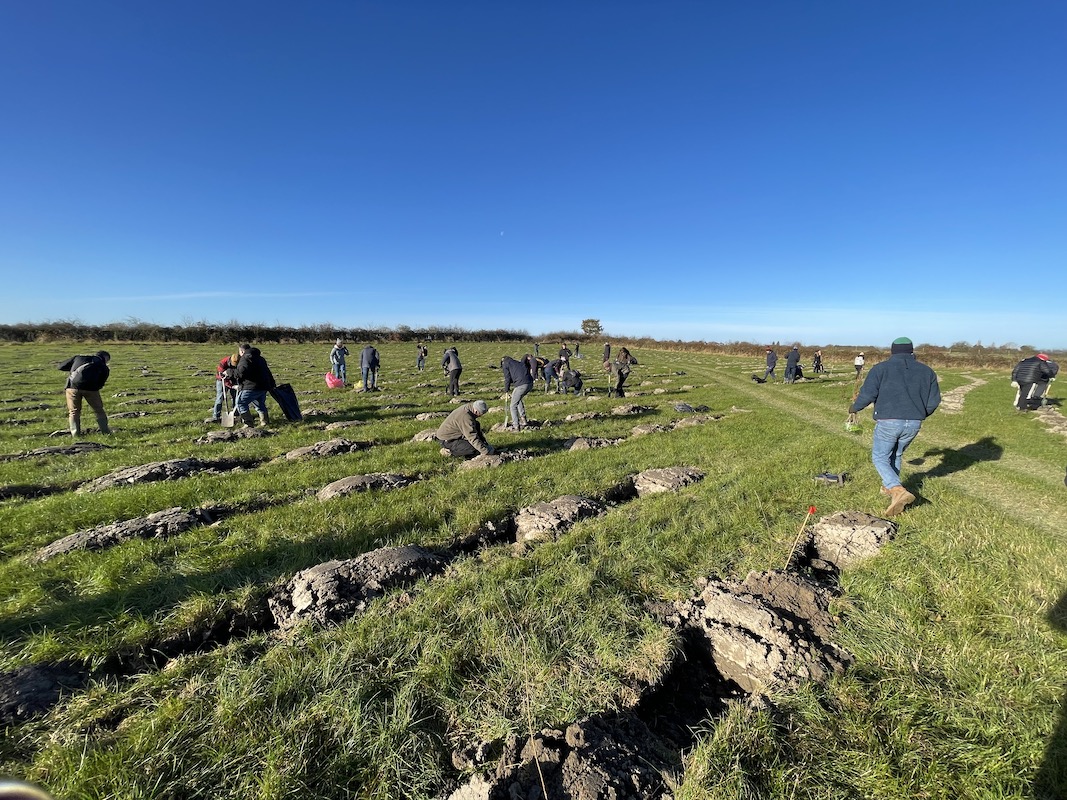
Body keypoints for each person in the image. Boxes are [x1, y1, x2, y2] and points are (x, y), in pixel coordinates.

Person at [848, 337, 941, 517]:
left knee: (879, 456)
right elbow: (934, 401)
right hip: (914, 423)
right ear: (912, 351)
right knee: (896, 454)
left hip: (889, 421)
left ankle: (897, 489)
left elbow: (868, 393)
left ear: (893, 351)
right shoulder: (927, 371)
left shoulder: (881, 369)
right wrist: (919, 414)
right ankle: (888, 488)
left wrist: (855, 407)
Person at [58, 350, 111, 436]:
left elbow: (60, 366)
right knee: (99, 410)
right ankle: (105, 432)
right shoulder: (103, 367)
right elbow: (101, 383)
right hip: (92, 390)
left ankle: (75, 434)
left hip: (72, 387)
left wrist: (73, 368)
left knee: (74, 411)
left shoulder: (78, 358)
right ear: (105, 358)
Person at [234, 343, 276, 428]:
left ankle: (248, 423)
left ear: (242, 351)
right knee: (260, 404)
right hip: (263, 386)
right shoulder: (260, 358)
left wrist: (230, 373)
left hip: (250, 386)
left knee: (241, 403)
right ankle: (264, 421)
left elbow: (241, 373)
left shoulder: (245, 359)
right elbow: (267, 371)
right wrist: (271, 384)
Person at [501, 355, 534, 431]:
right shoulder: (517, 363)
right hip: (530, 383)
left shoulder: (505, 364)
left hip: (521, 385)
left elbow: (507, 378)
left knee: (512, 406)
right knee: (517, 400)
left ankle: (516, 425)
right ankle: (523, 419)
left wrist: (506, 390)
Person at [210, 352, 239, 422]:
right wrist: (232, 386)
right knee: (220, 398)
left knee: (236, 397)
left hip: (234, 379)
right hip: (221, 380)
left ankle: (236, 414)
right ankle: (216, 416)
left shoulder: (240, 362)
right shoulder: (223, 363)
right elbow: (223, 379)